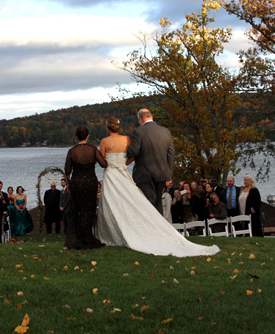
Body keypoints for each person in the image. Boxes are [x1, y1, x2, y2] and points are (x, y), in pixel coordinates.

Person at [96, 116, 220, 257]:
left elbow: (102, 161)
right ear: (118, 127)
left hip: (111, 174)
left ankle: (114, 235)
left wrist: (111, 164)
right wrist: (123, 164)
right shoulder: (126, 139)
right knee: (130, 201)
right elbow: (133, 156)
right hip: (123, 173)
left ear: (108, 127)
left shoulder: (104, 141)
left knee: (111, 203)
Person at [64, 125, 107, 249]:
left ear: (76, 137)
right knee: (89, 209)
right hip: (90, 182)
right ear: (88, 136)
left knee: (77, 209)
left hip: (77, 182)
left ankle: (76, 238)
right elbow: (103, 164)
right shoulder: (93, 149)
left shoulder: (72, 151)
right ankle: (88, 237)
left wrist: (68, 182)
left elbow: (67, 170)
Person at [127, 108, 175, 215]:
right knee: (158, 202)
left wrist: (124, 150)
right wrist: (168, 174)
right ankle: (160, 228)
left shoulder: (138, 132)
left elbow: (134, 151)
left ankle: (150, 230)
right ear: (151, 117)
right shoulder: (165, 131)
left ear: (140, 119)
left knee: (147, 204)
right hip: (162, 174)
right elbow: (171, 153)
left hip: (144, 174)